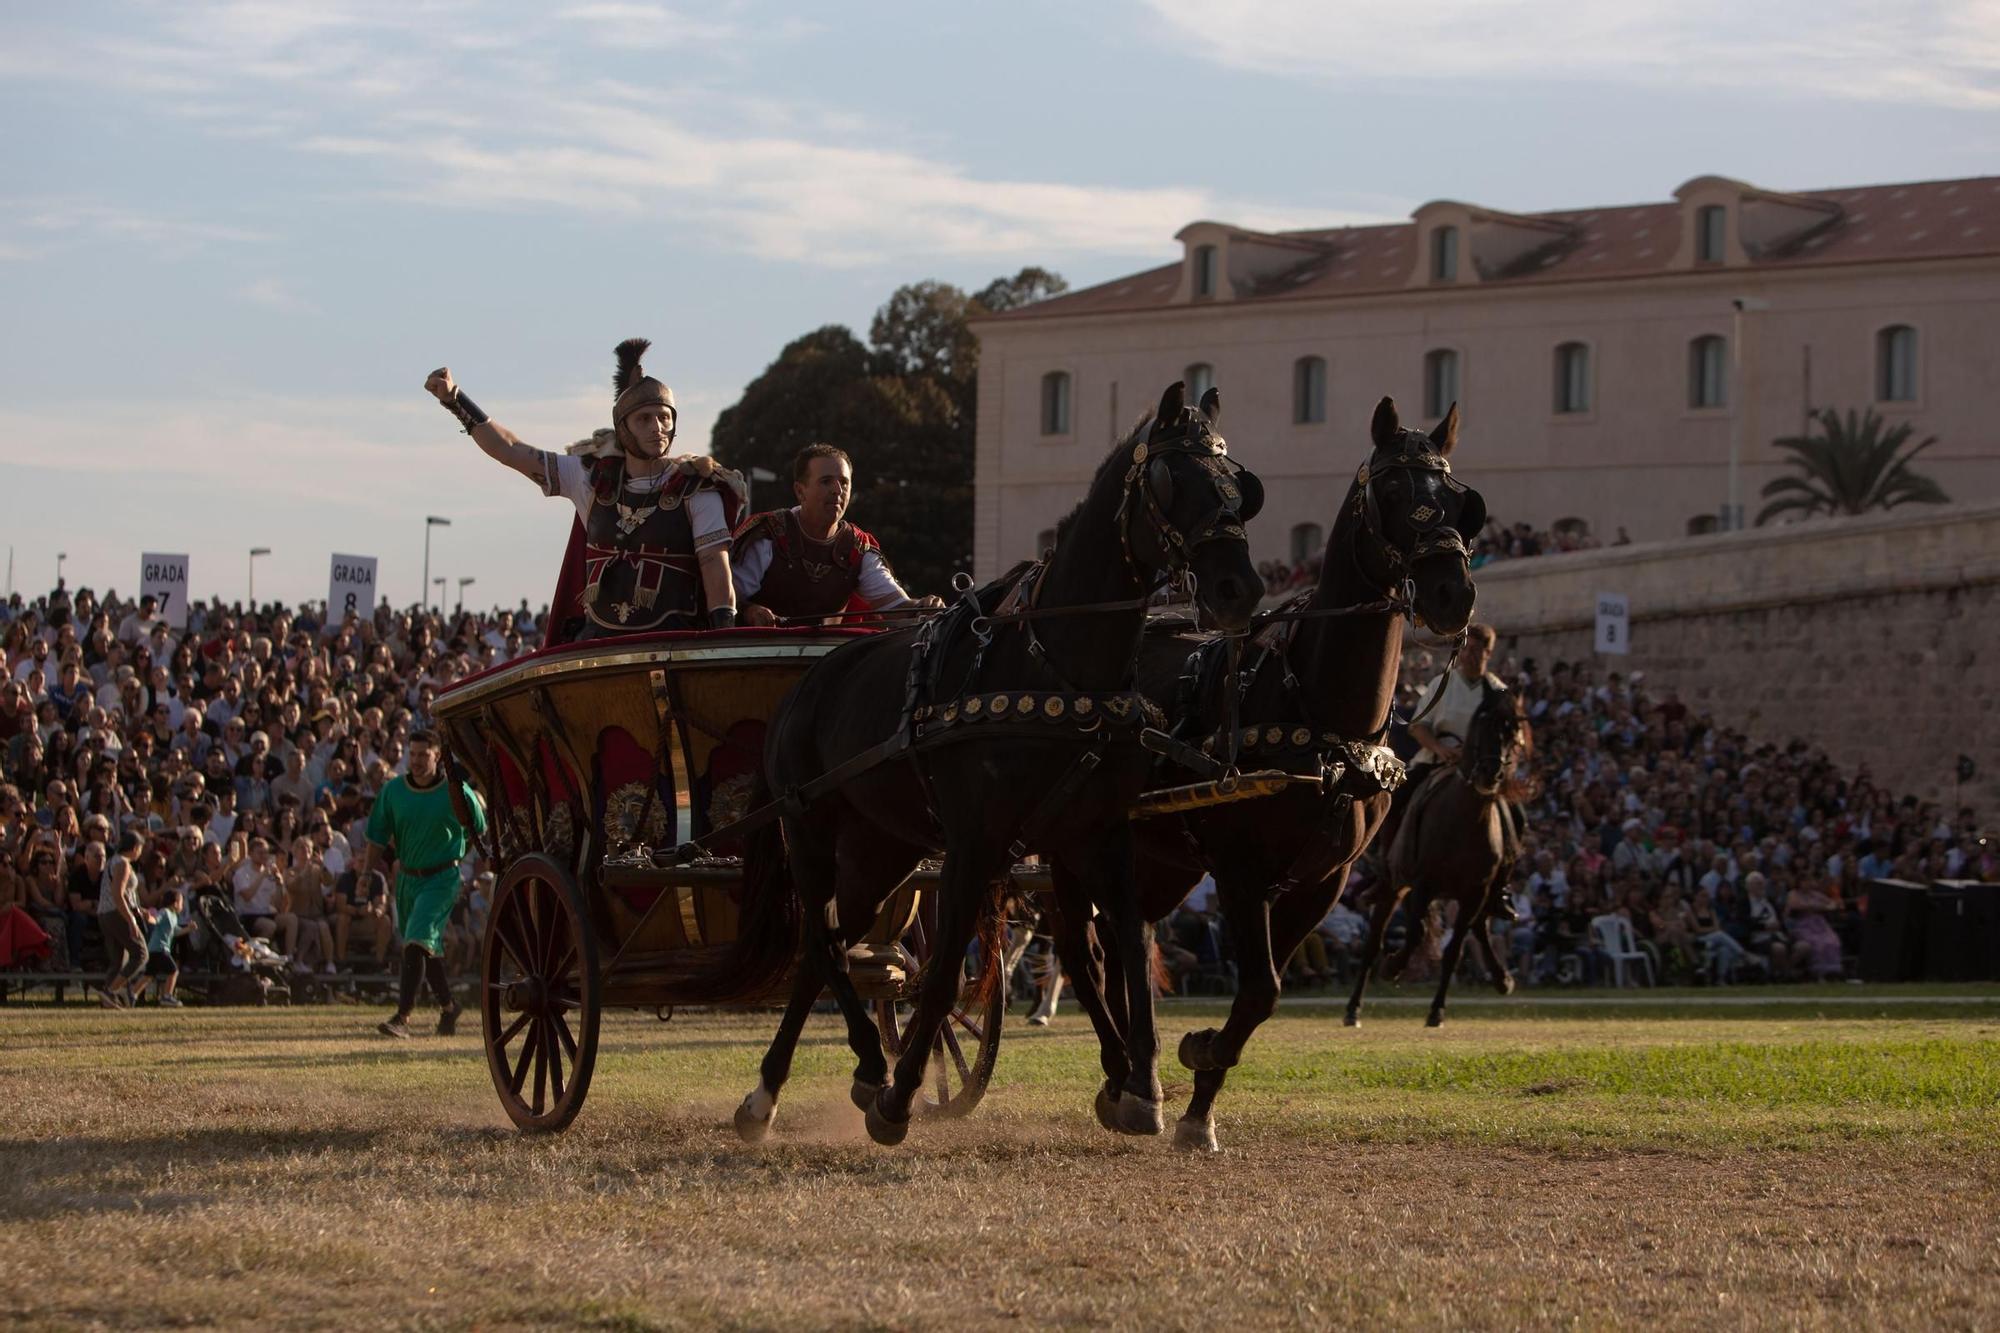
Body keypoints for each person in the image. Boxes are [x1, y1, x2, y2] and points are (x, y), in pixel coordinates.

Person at [424, 340, 745, 641]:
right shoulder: (589, 478)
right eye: (644, 419)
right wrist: (455, 400)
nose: (657, 428)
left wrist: (723, 638)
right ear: (623, 428)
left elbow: (714, 565)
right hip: (598, 650)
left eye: (664, 418)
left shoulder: (697, 488)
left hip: (671, 645)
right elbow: (510, 449)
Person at [357, 729, 486, 1038]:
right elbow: (376, 838)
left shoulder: (457, 792)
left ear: (437, 756)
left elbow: (476, 831)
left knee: (416, 940)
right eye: (411, 754)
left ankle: (402, 1017)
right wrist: (365, 874)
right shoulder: (393, 791)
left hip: (442, 879)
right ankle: (449, 1007)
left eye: (422, 755)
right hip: (407, 879)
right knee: (425, 947)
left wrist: (454, 858)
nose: (415, 761)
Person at [731, 443, 943, 625]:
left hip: (825, 658)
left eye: (844, 482)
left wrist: (923, 607)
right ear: (800, 491)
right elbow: (724, 599)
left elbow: (896, 607)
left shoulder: (856, 548)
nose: (837, 491)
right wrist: (749, 611)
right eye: (826, 481)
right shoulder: (769, 535)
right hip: (756, 654)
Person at [97, 830, 148, 1008]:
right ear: (135, 847)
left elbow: (124, 894)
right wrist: (131, 920)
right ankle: (111, 991)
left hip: (105, 913)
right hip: (115, 913)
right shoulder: (123, 864)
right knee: (140, 954)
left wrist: (139, 910)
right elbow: (117, 894)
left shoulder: (112, 861)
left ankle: (107, 1002)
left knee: (118, 961)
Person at [139, 886, 186, 1007]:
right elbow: (156, 920)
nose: (182, 905)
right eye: (181, 902)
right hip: (159, 948)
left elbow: (175, 932)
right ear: (175, 903)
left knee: (148, 975)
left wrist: (188, 929)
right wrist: (149, 918)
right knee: (174, 971)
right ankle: (167, 996)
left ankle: (132, 994)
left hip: (158, 949)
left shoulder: (174, 916)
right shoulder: (165, 912)